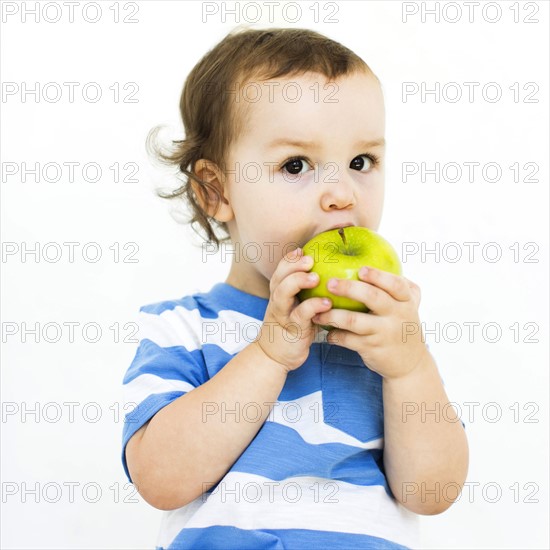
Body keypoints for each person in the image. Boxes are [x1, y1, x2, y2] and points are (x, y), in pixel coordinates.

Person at [121, 26, 469, 549]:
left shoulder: (379, 336)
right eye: (296, 165)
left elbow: (432, 492)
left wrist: (411, 368)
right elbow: (161, 480)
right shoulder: (184, 329)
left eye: (361, 162)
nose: (341, 194)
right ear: (215, 191)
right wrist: (268, 354)